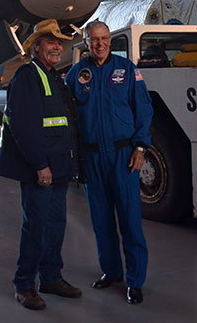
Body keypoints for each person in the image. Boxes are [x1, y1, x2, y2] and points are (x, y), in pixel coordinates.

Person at [0, 19, 82, 311]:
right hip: (41, 170)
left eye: (59, 42)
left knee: (56, 224)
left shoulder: (53, 76)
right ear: (37, 47)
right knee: (36, 226)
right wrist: (39, 165)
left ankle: (51, 278)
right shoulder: (27, 76)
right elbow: (24, 127)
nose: (58, 46)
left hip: (59, 166)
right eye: (50, 42)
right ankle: (23, 284)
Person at [65, 20, 154, 305]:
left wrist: (140, 146)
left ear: (110, 41)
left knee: (130, 221)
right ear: (86, 43)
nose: (100, 43)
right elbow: (70, 120)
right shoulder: (77, 74)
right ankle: (111, 272)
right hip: (92, 158)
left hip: (123, 156)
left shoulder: (126, 71)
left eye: (104, 38)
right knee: (101, 222)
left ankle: (135, 281)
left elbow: (143, 110)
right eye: (94, 39)